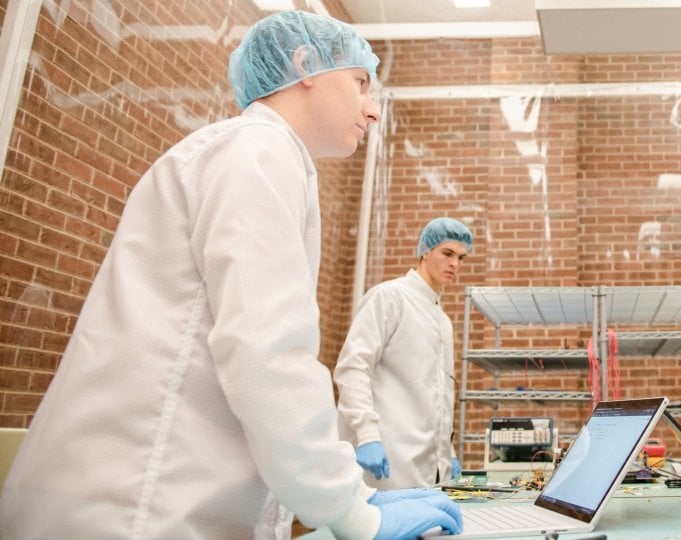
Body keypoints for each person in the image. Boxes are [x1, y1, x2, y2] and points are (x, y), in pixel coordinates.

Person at [0, 11, 462, 540]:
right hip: (136, 507)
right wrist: (355, 513)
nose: (372, 110)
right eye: (360, 82)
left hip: (142, 501)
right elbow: (268, 352)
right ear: (305, 64)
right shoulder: (258, 151)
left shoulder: (249, 154)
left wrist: (350, 496)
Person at [335, 217, 472, 489]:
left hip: (431, 465)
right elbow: (353, 367)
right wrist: (367, 435)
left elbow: (438, 395)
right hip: (386, 456)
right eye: (447, 253)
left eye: (461, 257)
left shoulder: (442, 320)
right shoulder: (388, 297)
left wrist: (449, 452)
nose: (455, 264)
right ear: (425, 250)